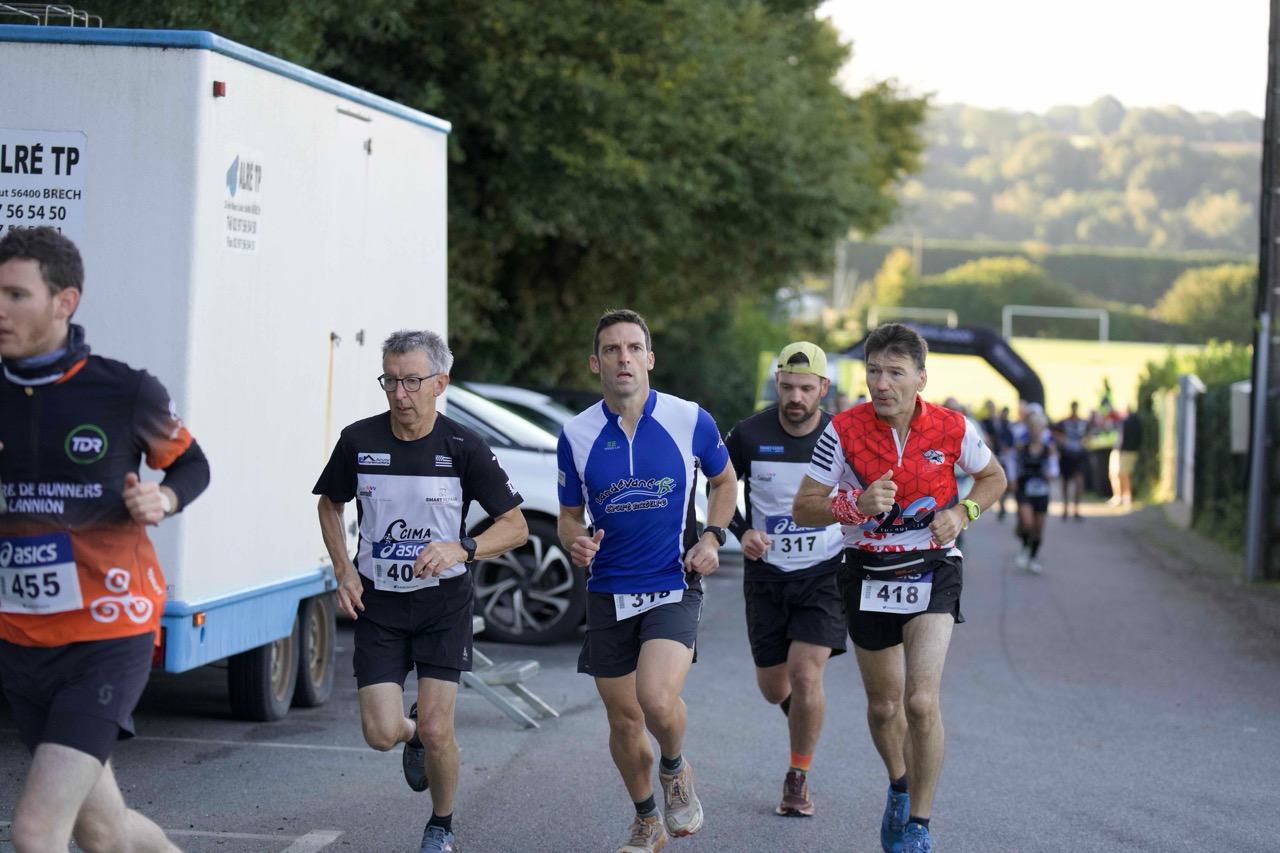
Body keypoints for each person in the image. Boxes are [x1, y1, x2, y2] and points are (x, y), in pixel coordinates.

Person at [0, 226, 211, 852]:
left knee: (36, 830)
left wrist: (163, 498)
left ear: (64, 302)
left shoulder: (124, 390)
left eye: (15, 295)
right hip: (21, 640)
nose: (0, 310)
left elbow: (192, 464)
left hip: (106, 635)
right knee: (103, 830)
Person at [792, 323, 1006, 853]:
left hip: (933, 566)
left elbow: (994, 478)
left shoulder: (953, 427)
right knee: (886, 706)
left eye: (894, 372)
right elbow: (803, 506)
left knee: (921, 701)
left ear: (921, 378)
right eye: (873, 371)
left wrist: (963, 512)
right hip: (866, 571)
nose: (881, 383)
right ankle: (899, 784)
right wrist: (854, 505)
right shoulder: (842, 430)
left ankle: (919, 825)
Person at [314, 329, 529, 853]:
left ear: (440, 383)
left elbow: (516, 527)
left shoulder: (464, 446)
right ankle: (412, 736)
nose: (400, 393)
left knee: (438, 729)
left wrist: (463, 548)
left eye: (412, 381)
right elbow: (329, 504)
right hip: (379, 605)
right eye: (390, 380)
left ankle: (441, 826)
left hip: (442, 605)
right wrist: (343, 570)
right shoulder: (359, 441)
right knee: (380, 733)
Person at [557, 308, 737, 853]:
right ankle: (646, 820)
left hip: (672, 582)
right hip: (608, 590)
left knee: (655, 699)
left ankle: (675, 769)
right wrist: (575, 541)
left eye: (634, 348)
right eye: (611, 350)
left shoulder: (690, 419)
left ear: (650, 359)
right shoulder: (576, 434)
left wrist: (712, 538)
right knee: (625, 721)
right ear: (595, 363)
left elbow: (725, 482)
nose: (624, 358)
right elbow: (568, 516)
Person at [723, 342, 847, 818]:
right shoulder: (749, 434)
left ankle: (798, 776)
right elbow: (717, 487)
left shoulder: (842, 435)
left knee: (806, 674)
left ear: (823, 387)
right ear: (777, 382)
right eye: (788, 387)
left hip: (825, 573)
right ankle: (804, 716)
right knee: (775, 688)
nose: (796, 397)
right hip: (767, 576)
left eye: (806, 388)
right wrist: (741, 531)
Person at [1008, 410, 1060, 574]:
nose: (1035, 430)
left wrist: (1051, 473)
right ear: (1029, 429)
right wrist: (1012, 479)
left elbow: (1054, 466)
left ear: (1043, 430)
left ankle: (1033, 557)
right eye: (1033, 427)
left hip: (1041, 490)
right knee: (1028, 522)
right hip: (1024, 488)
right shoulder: (1021, 447)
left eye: (1039, 427)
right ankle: (1024, 546)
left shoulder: (1048, 449)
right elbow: (1011, 462)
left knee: (1038, 528)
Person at [1053, 401, 1091, 521]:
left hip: (1079, 455)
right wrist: (1061, 440)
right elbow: (1054, 431)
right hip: (1067, 455)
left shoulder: (1083, 422)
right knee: (1065, 481)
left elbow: (1089, 433)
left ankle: (1076, 509)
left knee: (1079, 481)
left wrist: (1086, 441)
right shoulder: (1064, 422)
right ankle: (1065, 507)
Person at [1108, 406, 1142, 506]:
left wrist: (1119, 448)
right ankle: (1122, 496)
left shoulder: (1125, 421)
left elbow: (1121, 437)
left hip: (1123, 451)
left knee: (1122, 474)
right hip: (1129, 450)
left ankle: (1122, 496)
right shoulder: (1135, 420)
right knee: (1123, 474)